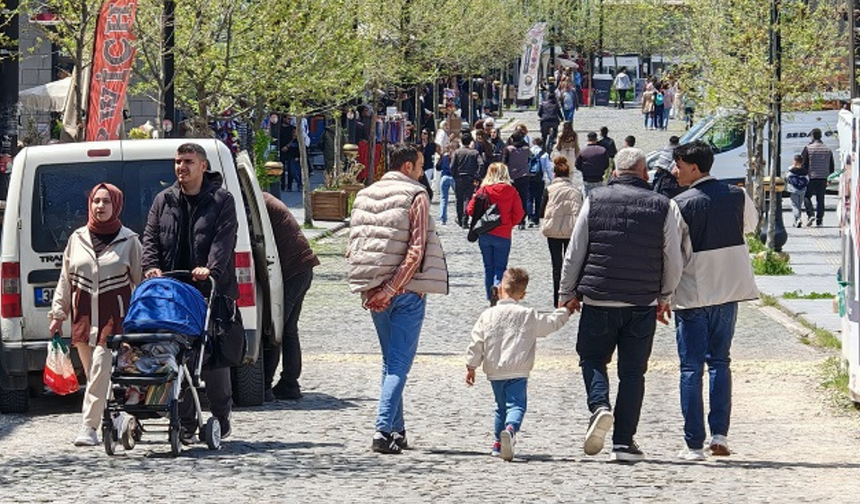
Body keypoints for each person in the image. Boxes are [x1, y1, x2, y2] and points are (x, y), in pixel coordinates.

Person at [558, 147, 683, 462]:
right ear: (645, 173)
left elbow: (575, 250)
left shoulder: (595, 199)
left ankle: (600, 406)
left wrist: (567, 292)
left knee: (591, 359)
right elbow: (673, 257)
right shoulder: (664, 206)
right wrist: (665, 295)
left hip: (599, 298)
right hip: (641, 302)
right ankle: (624, 443)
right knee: (632, 373)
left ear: (613, 173)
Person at [347, 143, 449, 454]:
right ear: (407, 167)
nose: (422, 173)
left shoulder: (365, 194)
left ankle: (396, 429)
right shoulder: (415, 195)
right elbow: (416, 250)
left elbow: (355, 244)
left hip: (374, 290)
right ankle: (381, 431)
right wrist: (392, 289)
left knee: (391, 362)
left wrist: (373, 290)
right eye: (420, 167)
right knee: (398, 366)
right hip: (404, 291)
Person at [142, 142, 240, 443]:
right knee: (177, 353)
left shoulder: (221, 200)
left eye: (187, 161)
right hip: (173, 290)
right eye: (177, 162)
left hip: (210, 289)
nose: (181, 167)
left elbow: (224, 241)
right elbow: (151, 238)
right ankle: (183, 419)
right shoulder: (164, 199)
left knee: (212, 356)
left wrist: (210, 269)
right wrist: (151, 267)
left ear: (203, 166)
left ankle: (221, 416)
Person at [671, 141, 759, 461]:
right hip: (728, 290)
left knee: (691, 368)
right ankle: (719, 435)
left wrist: (664, 294)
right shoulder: (737, 195)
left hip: (693, 293)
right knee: (720, 362)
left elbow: (672, 254)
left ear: (694, 168)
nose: (674, 170)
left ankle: (694, 443)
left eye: (678, 165)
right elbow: (750, 226)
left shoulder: (680, 204)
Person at [50, 183, 142, 446]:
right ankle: (116, 419)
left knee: (100, 368)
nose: (100, 206)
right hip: (83, 319)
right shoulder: (76, 238)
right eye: (95, 201)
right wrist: (58, 314)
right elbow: (65, 280)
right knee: (94, 376)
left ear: (116, 205)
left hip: (115, 319)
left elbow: (140, 282)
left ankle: (88, 427)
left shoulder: (129, 240)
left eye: (106, 202)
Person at [465, 268, 571, 461]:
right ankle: (511, 429)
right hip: (518, 369)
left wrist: (471, 366)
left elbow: (477, 341)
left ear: (498, 290)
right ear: (522, 294)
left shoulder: (487, 315)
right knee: (516, 405)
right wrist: (566, 311)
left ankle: (498, 443)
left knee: (500, 407)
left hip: (495, 371)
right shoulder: (528, 315)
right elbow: (550, 323)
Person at [261, 192, 320, 402]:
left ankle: (267, 385)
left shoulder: (259, 203)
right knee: (288, 329)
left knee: (275, 329)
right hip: (302, 267)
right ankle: (289, 383)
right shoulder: (265, 199)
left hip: (293, 270)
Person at [467, 163, 525, 304]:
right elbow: (519, 214)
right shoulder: (511, 191)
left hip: (485, 233)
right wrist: (509, 224)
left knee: (488, 267)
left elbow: (470, 210)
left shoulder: (484, 190)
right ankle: (497, 289)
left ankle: (490, 296)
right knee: (500, 267)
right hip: (504, 234)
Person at [540, 156, 584, 307]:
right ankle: (571, 296)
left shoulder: (549, 189)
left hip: (553, 231)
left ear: (555, 174)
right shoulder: (576, 190)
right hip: (572, 231)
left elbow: (540, 212)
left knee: (556, 265)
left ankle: (556, 299)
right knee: (571, 265)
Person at [801, 128, 835, 227]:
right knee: (821, 198)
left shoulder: (808, 148)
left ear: (812, 136)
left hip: (811, 177)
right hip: (823, 177)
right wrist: (830, 178)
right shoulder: (827, 149)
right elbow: (831, 165)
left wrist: (804, 175)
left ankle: (810, 214)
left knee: (807, 196)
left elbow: (804, 164)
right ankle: (819, 220)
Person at [451, 132, 483, 228]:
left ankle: (460, 218)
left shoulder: (457, 152)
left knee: (459, 199)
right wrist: (477, 176)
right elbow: (481, 164)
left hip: (459, 177)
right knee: (467, 199)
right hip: (470, 178)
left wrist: (455, 176)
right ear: (470, 142)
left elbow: (452, 166)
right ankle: (465, 219)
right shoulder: (475, 153)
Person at [503, 130, 532, 229]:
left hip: (511, 177)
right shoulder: (526, 149)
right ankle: (522, 220)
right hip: (524, 176)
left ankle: (510, 218)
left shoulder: (508, 149)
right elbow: (528, 159)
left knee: (510, 199)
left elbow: (504, 163)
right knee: (523, 199)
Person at [527, 137, 553, 227]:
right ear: (542, 145)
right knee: (538, 199)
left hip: (529, 178)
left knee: (529, 198)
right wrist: (552, 179)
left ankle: (529, 217)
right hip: (539, 179)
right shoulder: (544, 154)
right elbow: (548, 168)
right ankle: (536, 219)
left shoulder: (528, 152)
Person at [575, 132, 609, 196]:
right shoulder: (603, 150)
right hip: (599, 178)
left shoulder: (583, 151)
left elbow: (577, 165)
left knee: (587, 200)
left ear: (588, 139)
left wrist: (584, 170)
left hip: (587, 178)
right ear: (596, 139)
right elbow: (606, 164)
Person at [786, 154, 812, 227]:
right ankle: (796, 221)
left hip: (793, 189)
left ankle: (798, 219)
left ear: (795, 161)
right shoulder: (804, 171)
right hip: (802, 190)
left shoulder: (791, 170)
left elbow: (787, 178)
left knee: (795, 205)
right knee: (799, 206)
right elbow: (807, 180)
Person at [437, 140, 459, 225]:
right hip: (454, 178)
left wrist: (441, 157)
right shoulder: (457, 157)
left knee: (443, 199)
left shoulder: (445, 157)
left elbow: (438, 167)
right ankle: (458, 216)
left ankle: (443, 218)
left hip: (444, 177)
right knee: (458, 198)